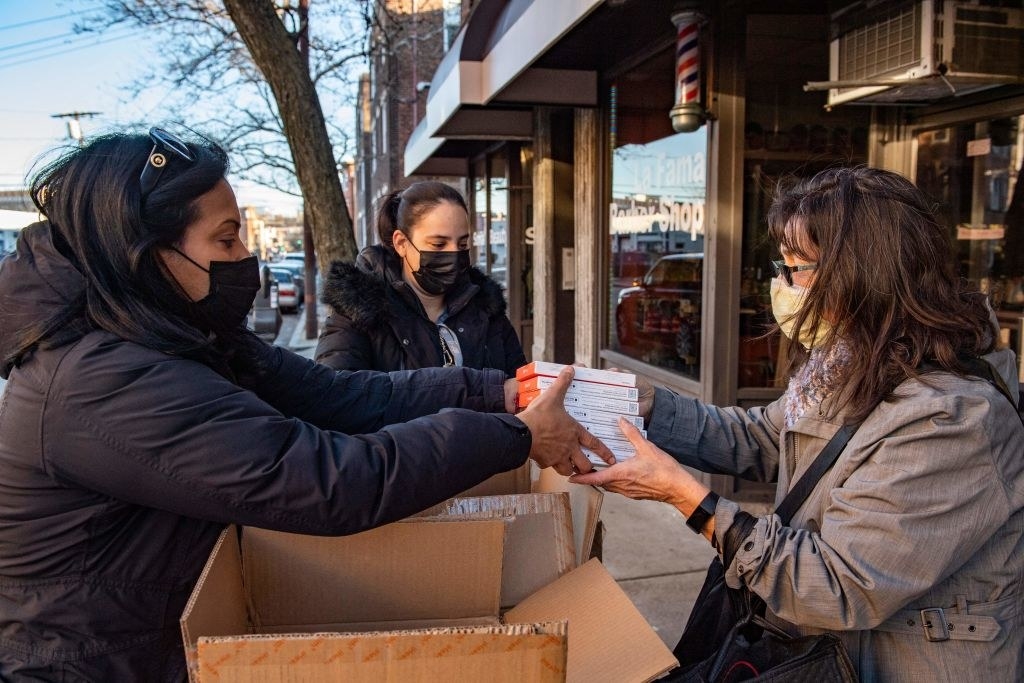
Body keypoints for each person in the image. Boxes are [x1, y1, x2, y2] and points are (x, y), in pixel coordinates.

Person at [0, 128, 611, 680]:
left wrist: (490, 391)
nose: (246, 259)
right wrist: (518, 436)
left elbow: (336, 396)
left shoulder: (180, 337)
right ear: (149, 254)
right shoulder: (103, 380)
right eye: (226, 237)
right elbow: (331, 480)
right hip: (91, 666)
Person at [572, 167, 1024, 681]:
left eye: (794, 268)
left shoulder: (952, 417)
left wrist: (689, 500)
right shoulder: (856, 359)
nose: (780, 285)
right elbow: (765, 436)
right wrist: (650, 403)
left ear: (860, 275)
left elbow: (839, 586)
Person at [315, 181, 526, 376]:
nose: (454, 254)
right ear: (401, 243)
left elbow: (520, 387)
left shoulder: (486, 309)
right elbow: (339, 398)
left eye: (462, 245)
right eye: (438, 245)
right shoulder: (358, 314)